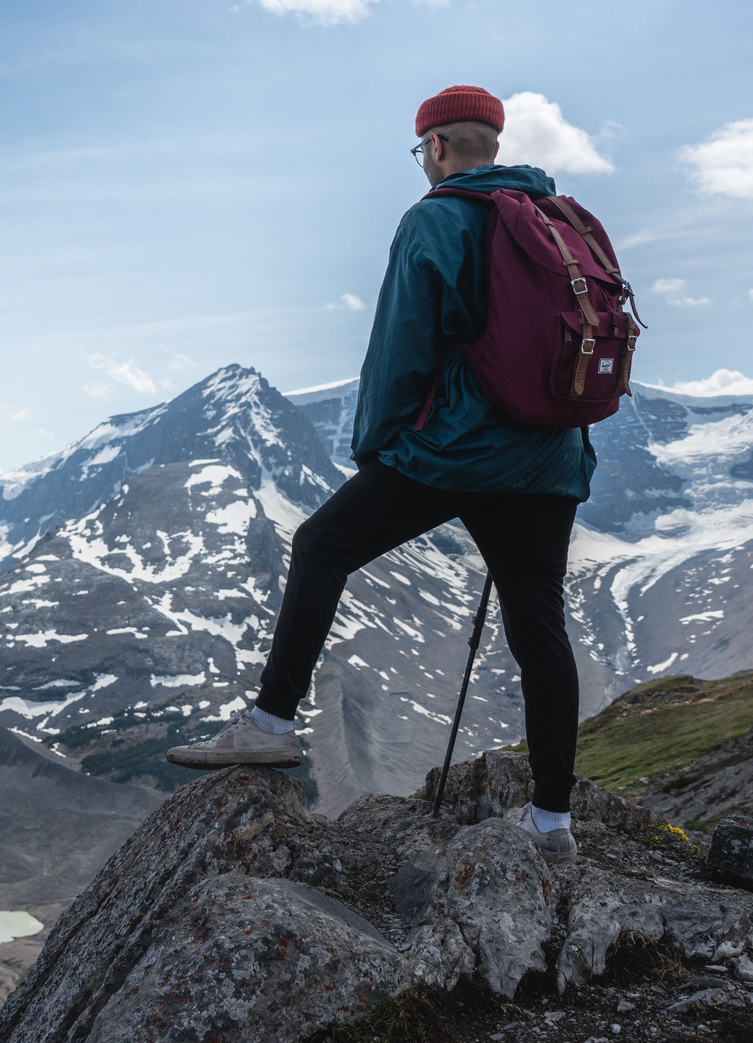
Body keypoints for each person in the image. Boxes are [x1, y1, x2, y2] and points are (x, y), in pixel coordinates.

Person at [167, 84, 592, 862]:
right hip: (551, 455)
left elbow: (400, 349)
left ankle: (268, 726)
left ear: (435, 147)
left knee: (324, 544)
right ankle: (553, 822)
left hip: (458, 450)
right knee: (540, 626)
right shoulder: (558, 220)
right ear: (492, 142)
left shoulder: (436, 216)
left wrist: (379, 452)